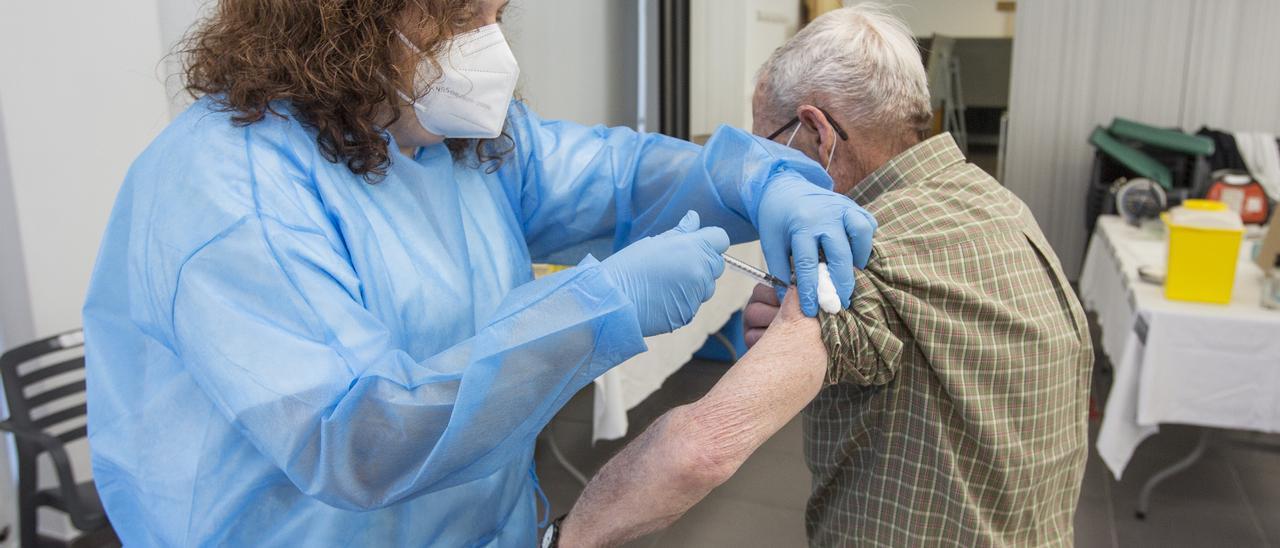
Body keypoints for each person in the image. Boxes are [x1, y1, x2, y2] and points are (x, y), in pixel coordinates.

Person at [80, 0, 875, 545]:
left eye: (495, 15)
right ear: (344, 19)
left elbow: (621, 176)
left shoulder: (446, 136)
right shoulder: (229, 191)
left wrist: (757, 178)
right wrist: (601, 306)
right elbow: (359, 436)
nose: (490, 48)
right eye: (461, 18)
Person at [743, 5, 1093, 546]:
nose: (766, 172)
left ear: (818, 132)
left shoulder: (862, 251)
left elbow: (707, 445)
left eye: (768, 147)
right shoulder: (997, 203)